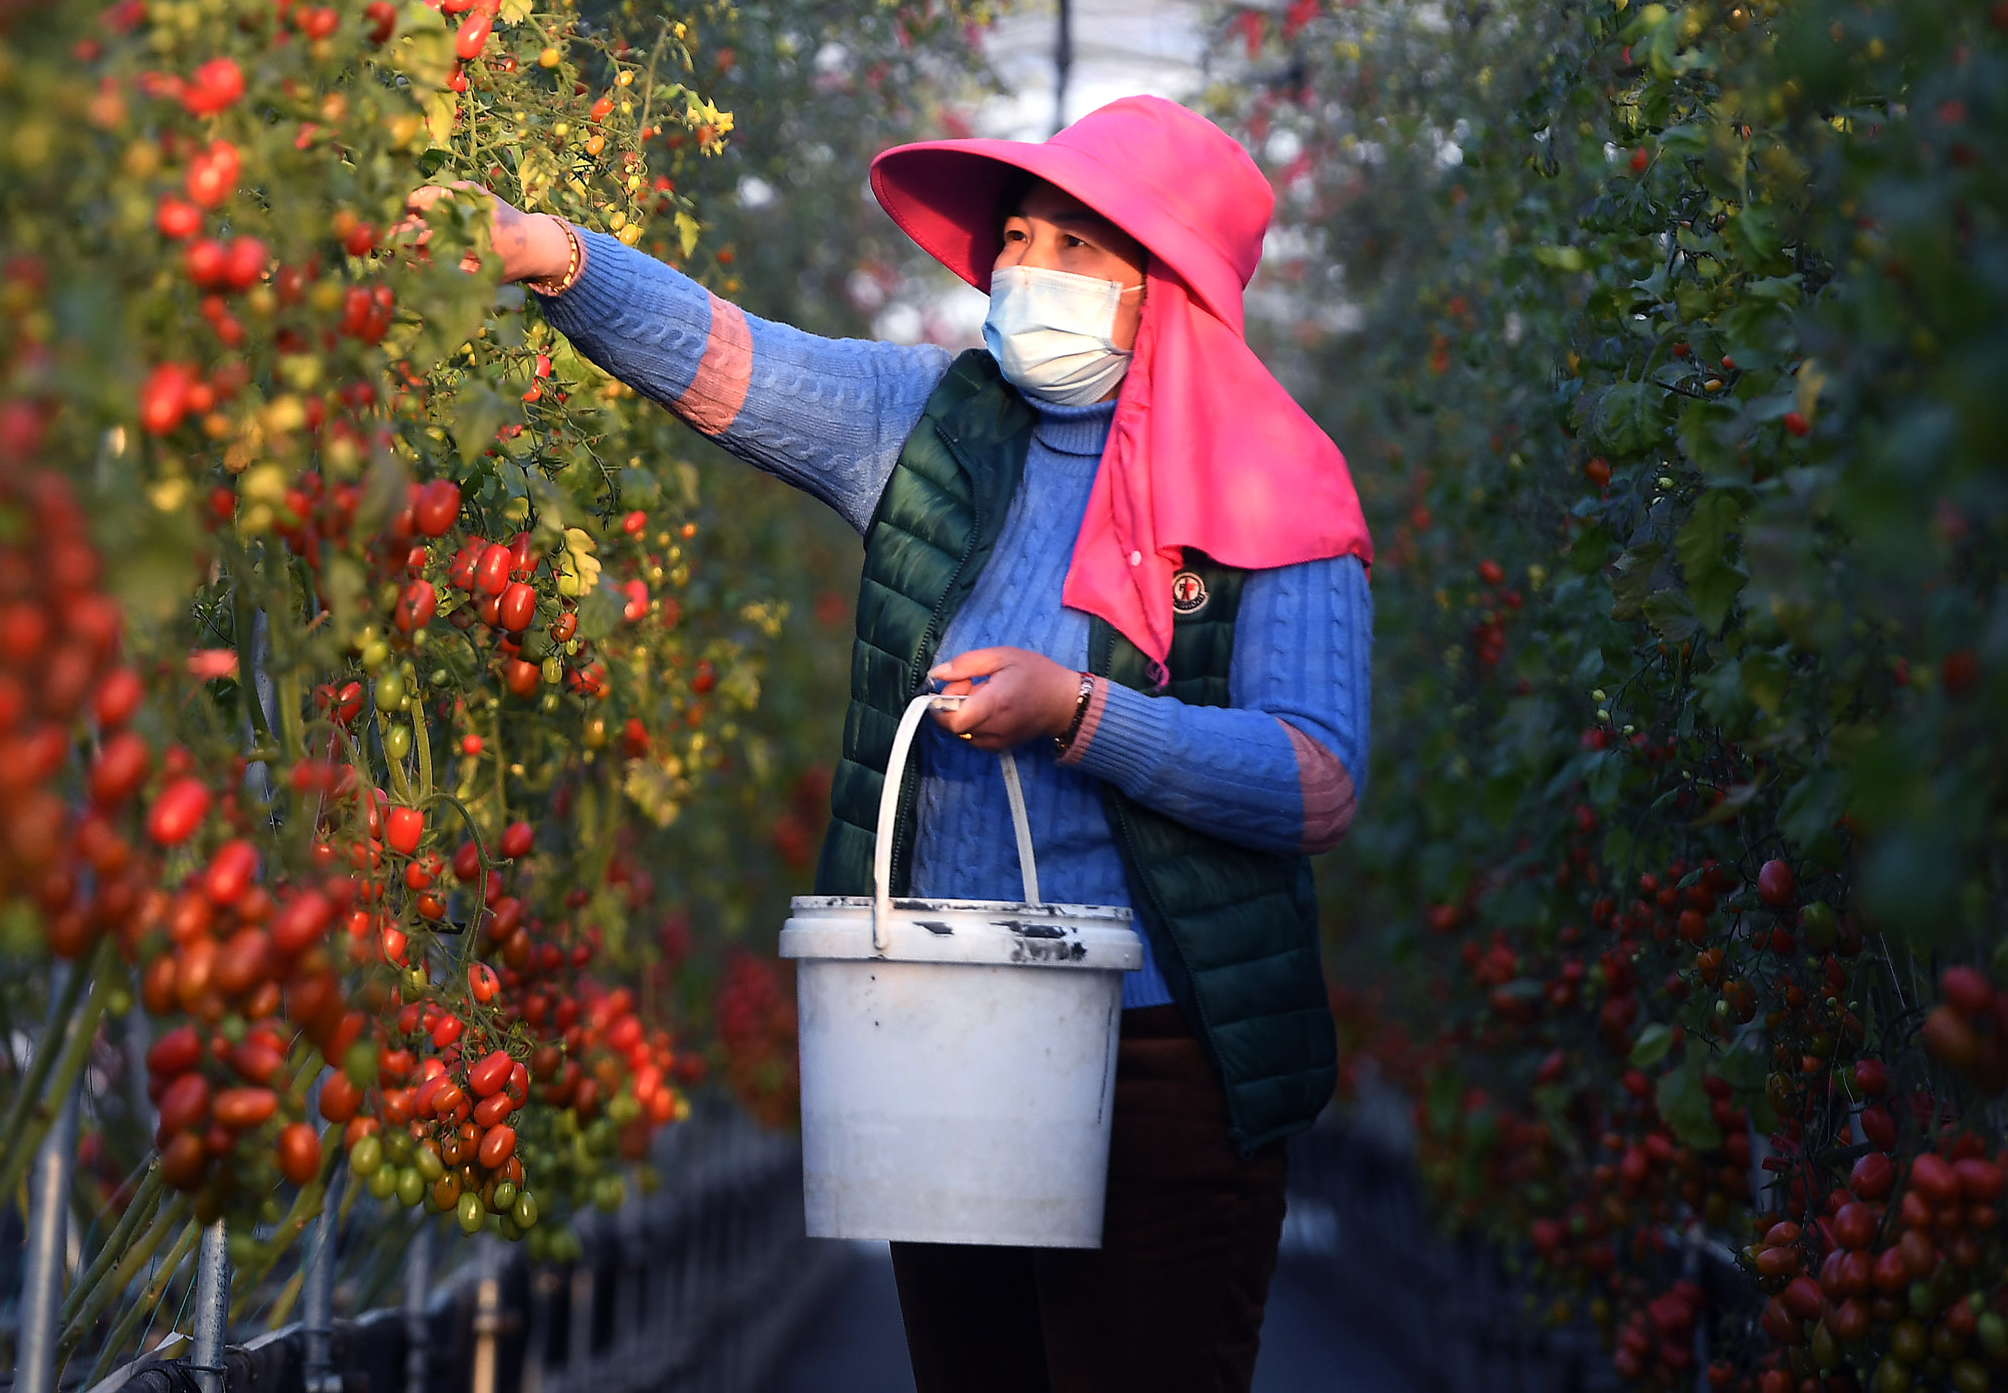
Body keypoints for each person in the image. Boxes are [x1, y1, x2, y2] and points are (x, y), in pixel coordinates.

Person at [417, 94, 1371, 1393]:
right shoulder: (931, 427)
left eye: (1076, 247)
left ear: (1171, 285)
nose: (1026, 272)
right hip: (955, 1027)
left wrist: (1082, 714)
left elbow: (1313, 778)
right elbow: (739, 366)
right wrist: (561, 259)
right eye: (1018, 239)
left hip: (1166, 1056)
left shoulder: (1275, 491)